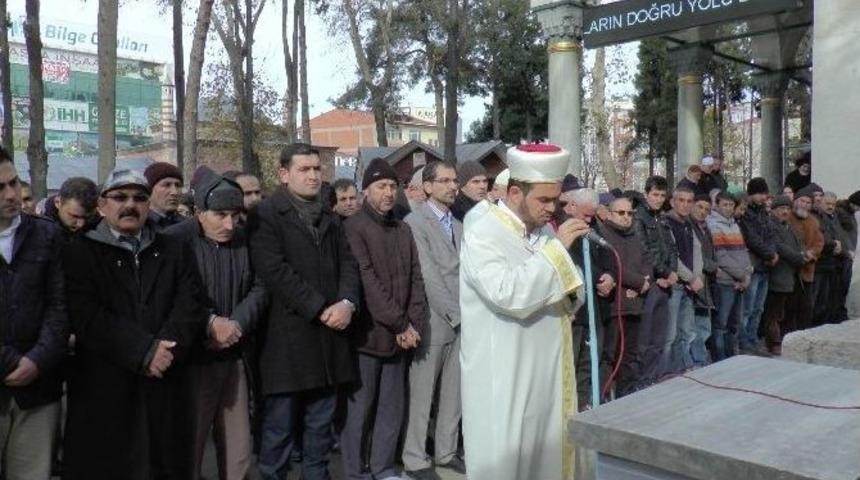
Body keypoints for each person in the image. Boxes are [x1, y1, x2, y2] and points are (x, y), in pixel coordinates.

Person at [62, 168, 207, 479]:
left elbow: (190, 305)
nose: (130, 205)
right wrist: (144, 352)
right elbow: (88, 315)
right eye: (120, 197)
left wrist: (165, 351)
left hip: (165, 383)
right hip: (105, 389)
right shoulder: (79, 251)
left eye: (139, 198)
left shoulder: (174, 249)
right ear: (101, 205)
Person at [460, 144, 590, 480]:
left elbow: (564, 288)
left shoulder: (542, 230)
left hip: (544, 373)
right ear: (515, 192)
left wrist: (573, 289)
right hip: (505, 377)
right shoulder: (482, 229)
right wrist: (558, 250)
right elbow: (510, 294)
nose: (552, 210)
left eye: (556, 201)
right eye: (544, 201)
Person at [248, 143, 360, 480]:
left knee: (319, 435)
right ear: (284, 174)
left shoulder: (329, 216)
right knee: (279, 435)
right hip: (286, 345)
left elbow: (349, 265)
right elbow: (275, 272)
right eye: (304, 169)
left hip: (329, 344)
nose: (313, 175)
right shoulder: (266, 215)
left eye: (317, 169)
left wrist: (347, 303)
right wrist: (320, 308)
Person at [165, 167, 266, 480]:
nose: (229, 224)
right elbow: (174, 296)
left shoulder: (246, 239)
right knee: (190, 444)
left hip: (235, 356)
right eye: (220, 215)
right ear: (198, 212)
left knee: (238, 450)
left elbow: (261, 287)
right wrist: (209, 324)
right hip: (192, 359)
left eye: (235, 216)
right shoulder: (174, 241)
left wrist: (235, 324)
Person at [340, 158, 426, 480]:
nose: (388, 192)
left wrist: (413, 323)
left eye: (392, 186)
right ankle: (354, 471)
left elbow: (417, 279)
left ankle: (384, 467)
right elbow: (367, 281)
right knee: (360, 409)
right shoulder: (354, 228)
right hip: (368, 336)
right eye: (381, 187)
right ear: (366, 191)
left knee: (392, 408)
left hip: (400, 336)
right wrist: (401, 323)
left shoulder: (403, 229)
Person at [0, 147, 68, 480]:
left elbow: (60, 306)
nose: (12, 195)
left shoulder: (46, 234)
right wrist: (10, 361)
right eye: (0, 188)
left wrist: (37, 360)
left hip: (38, 389)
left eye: (13, 183)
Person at [402, 161, 465, 480]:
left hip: (463, 320)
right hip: (434, 320)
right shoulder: (415, 222)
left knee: (454, 392)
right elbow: (428, 276)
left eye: (455, 181)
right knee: (422, 392)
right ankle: (414, 457)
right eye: (445, 181)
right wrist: (457, 315)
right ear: (427, 186)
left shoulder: (459, 225)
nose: (453, 186)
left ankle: (446, 452)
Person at [563, 187, 615, 407]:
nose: (589, 220)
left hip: (596, 308)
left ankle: (584, 403)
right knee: (571, 363)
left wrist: (609, 276)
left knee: (589, 361)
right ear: (572, 207)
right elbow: (572, 263)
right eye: (585, 215)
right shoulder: (564, 229)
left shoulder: (593, 228)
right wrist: (597, 276)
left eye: (592, 215)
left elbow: (608, 255)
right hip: (576, 309)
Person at [600, 195, 653, 396]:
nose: (626, 217)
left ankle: (626, 394)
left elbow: (648, 260)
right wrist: (638, 283)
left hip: (635, 304)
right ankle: (604, 395)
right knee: (611, 354)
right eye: (621, 213)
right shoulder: (603, 233)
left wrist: (646, 281)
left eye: (630, 213)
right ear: (610, 213)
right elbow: (613, 264)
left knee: (630, 354)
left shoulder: (635, 236)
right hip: (616, 306)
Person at [634, 176, 677, 385]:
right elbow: (644, 251)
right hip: (652, 283)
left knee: (659, 337)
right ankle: (641, 379)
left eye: (662, 195)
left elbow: (671, 248)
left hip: (666, 283)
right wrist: (662, 273)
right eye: (655, 195)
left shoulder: (662, 218)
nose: (659, 199)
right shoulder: (639, 218)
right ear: (646, 194)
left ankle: (651, 377)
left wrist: (673, 272)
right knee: (646, 338)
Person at [706, 191, 753, 360]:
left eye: (731, 205)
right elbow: (721, 256)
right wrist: (741, 275)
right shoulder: (713, 225)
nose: (727, 208)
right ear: (717, 205)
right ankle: (719, 359)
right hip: (724, 281)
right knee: (721, 324)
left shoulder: (734, 224)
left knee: (735, 324)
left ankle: (731, 357)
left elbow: (742, 250)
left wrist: (748, 272)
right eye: (724, 204)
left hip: (740, 281)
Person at [738, 178, 778, 354]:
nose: (763, 197)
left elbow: (771, 234)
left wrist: (773, 253)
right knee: (747, 308)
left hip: (765, 266)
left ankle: (753, 340)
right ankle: (744, 342)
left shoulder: (764, 213)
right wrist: (769, 254)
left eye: (765, 193)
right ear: (751, 193)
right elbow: (751, 238)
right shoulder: (746, 214)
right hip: (753, 265)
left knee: (758, 308)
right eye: (760, 193)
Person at [663, 186, 700, 374]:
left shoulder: (688, 224)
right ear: (672, 202)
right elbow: (671, 257)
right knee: (670, 334)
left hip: (689, 287)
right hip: (675, 285)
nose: (685, 205)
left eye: (689, 201)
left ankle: (683, 366)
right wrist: (691, 277)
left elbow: (697, 251)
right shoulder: (666, 223)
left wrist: (697, 277)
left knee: (687, 331)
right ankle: (665, 372)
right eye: (681, 200)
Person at [762, 195, 806, 355]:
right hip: (777, 275)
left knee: (784, 312)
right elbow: (780, 246)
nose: (785, 212)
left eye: (787, 208)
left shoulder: (789, 227)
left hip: (790, 276)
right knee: (773, 313)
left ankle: (782, 340)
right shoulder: (771, 226)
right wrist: (800, 257)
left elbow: (798, 244)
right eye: (781, 209)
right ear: (773, 210)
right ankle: (773, 343)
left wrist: (802, 254)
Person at [784, 190, 824, 332]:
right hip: (789, 271)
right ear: (795, 201)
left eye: (808, 202)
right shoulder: (787, 218)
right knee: (789, 307)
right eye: (802, 201)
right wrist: (799, 255)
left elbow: (819, 242)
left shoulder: (814, 221)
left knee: (805, 307)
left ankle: (803, 335)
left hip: (807, 271)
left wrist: (811, 253)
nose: (805, 205)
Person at [809, 186, 842, 325]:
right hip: (819, 264)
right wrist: (834, 244)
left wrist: (840, 245)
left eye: (833, 204)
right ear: (821, 202)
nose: (830, 207)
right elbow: (820, 239)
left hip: (830, 263)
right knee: (814, 300)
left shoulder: (832, 218)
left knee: (825, 300)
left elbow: (838, 235)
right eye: (827, 204)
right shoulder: (815, 217)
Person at [689, 194, 716, 367]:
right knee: (693, 329)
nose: (703, 212)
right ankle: (696, 362)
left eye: (707, 209)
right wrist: (713, 266)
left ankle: (700, 360)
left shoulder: (704, 228)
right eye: (700, 207)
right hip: (694, 282)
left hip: (706, 283)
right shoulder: (688, 226)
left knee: (704, 327)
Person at [833, 192, 859, 322]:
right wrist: (848, 250)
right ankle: (838, 314)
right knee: (842, 286)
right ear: (853, 204)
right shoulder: (841, 213)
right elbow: (841, 234)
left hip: (849, 254)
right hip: (845, 255)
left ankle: (840, 312)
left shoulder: (849, 213)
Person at [144, 162, 185, 231]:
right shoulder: (138, 227)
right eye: (167, 185)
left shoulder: (190, 226)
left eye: (178, 185)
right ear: (149, 189)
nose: (174, 192)